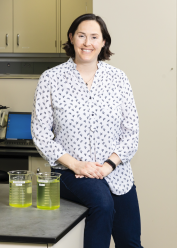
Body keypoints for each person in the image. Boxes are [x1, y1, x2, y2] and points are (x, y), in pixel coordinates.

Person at [31, 13, 143, 248]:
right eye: (81, 36)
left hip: (116, 173)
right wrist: (77, 165)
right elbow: (41, 134)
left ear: (103, 42)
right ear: (71, 38)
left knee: (131, 243)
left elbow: (131, 132)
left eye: (94, 37)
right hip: (71, 172)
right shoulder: (50, 79)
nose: (87, 43)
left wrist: (108, 166)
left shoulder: (118, 79)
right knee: (102, 204)